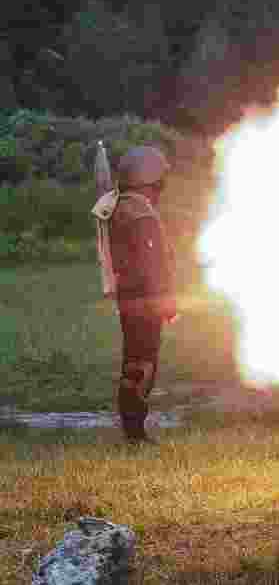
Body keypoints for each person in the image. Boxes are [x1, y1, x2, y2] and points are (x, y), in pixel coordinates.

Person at [108, 145, 177, 445]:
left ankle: (133, 428)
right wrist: (164, 298)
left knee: (135, 360)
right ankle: (135, 432)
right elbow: (153, 262)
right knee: (142, 363)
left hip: (130, 296)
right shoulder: (140, 212)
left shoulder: (122, 206)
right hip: (144, 299)